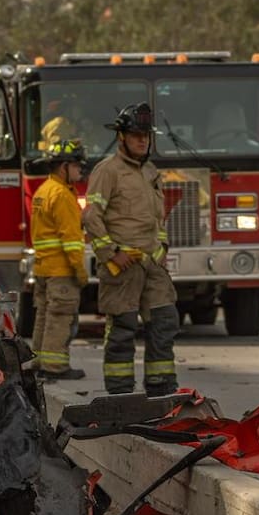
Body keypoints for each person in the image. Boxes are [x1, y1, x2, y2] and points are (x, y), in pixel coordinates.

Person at [82, 102, 178, 397]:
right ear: (122, 137)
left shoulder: (150, 172)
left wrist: (161, 247)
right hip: (123, 266)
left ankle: (161, 387)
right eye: (136, 134)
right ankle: (121, 392)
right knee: (123, 329)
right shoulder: (107, 171)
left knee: (164, 323)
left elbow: (157, 217)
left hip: (153, 265)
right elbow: (91, 216)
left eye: (146, 135)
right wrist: (111, 253)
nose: (142, 140)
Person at [30, 138, 89, 381]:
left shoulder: (43, 191)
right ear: (63, 167)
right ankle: (55, 367)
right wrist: (80, 271)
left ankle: (39, 363)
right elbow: (71, 240)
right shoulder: (62, 195)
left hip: (44, 269)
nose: (80, 170)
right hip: (62, 271)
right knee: (60, 319)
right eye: (76, 165)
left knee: (43, 317)